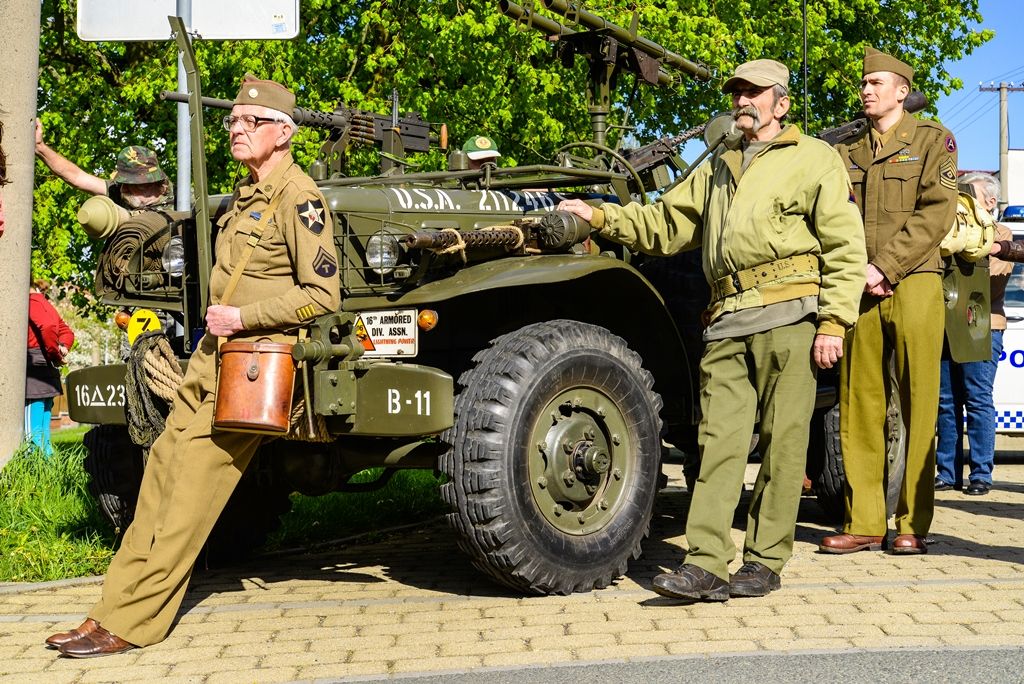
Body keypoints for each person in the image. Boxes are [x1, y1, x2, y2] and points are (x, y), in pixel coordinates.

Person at [45, 74, 341, 658]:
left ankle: (137, 624)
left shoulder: (300, 200)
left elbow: (322, 294)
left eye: (249, 121)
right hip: (209, 360)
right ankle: (107, 611)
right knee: (157, 482)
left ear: (283, 132)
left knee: (188, 499)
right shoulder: (245, 196)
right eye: (233, 120)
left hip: (252, 366)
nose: (236, 128)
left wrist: (243, 317)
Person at [559, 59, 866, 601]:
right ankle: (705, 562)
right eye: (738, 93)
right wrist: (601, 217)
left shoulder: (815, 158)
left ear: (781, 103)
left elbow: (845, 247)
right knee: (717, 442)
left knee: (782, 443)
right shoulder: (719, 163)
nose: (743, 101)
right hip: (725, 317)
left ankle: (765, 560)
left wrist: (835, 322)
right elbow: (665, 223)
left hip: (792, 313)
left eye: (754, 93)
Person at [820, 48, 959, 555]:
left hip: (915, 279)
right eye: (864, 83)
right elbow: (835, 214)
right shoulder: (845, 148)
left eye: (878, 83)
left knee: (920, 401)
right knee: (859, 403)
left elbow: (935, 214)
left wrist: (887, 266)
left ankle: (912, 523)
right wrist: (858, 269)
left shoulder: (932, 140)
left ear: (902, 90)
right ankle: (864, 521)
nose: (867, 90)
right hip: (859, 286)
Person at [935, 172, 1012, 497]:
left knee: (978, 400)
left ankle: (981, 474)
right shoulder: (947, 229)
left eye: (970, 195)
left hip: (983, 326)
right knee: (946, 403)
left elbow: (993, 275)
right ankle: (947, 472)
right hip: (945, 326)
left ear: (990, 202)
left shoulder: (1001, 234)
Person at [35, 120, 174, 211]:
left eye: (136, 183)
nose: (126, 188)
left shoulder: (183, 201)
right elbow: (76, 177)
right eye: (126, 182)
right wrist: (40, 147)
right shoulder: (119, 191)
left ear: (154, 184)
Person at [25, 280, 74, 457]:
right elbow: (66, 332)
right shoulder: (46, 304)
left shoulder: (30, 302)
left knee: (32, 436)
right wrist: (62, 348)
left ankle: (33, 470)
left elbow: (47, 327)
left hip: (35, 370)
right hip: (47, 370)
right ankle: (48, 468)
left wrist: (54, 353)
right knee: (44, 434)